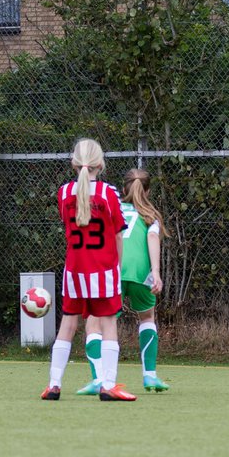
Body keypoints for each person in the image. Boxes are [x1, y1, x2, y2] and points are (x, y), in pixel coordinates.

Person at [41, 139, 135, 402]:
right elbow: (118, 235)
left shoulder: (63, 193)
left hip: (74, 270)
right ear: (100, 164)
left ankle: (54, 384)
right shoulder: (108, 193)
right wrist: (117, 266)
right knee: (108, 325)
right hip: (103, 269)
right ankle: (108, 385)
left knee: (67, 324)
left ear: (74, 162)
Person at [77, 167, 169, 394]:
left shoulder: (112, 208)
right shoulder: (151, 215)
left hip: (113, 270)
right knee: (147, 317)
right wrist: (155, 272)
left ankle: (99, 378)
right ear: (146, 191)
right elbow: (152, 237)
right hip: (141, 273)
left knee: (94, 323)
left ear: (124, 188)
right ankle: (150, 376)